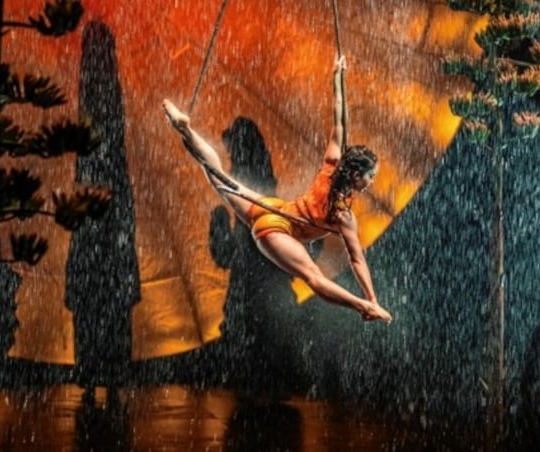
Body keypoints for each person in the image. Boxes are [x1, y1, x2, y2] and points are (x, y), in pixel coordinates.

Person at [162, 56, 392, 323]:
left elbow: (338, 123)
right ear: (355, 175)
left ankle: (187, 132)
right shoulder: (343, 216)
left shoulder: (332, 164)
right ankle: (362, 307)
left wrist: (337, 78)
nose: (372, 182)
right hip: (276, 230)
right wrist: (371, 299)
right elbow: (357, 261)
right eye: (370, 176)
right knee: (313, 276)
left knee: (220, 179)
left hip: (272, 208)